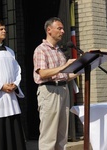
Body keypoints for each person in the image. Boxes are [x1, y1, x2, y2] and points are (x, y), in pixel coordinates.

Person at [33, 17, 79, 150]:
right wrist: (64, 66)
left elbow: (64, 76)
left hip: (63, 90)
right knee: (49, 136)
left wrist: (82, 68)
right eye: (59, 28)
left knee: (61, 136)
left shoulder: (59, 51)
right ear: (49, 30)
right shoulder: (41, 50)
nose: (63, 31)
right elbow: (42, 73)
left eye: (63, 28)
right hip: (49, 92)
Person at [0, 19, 26, 150]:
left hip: (11, 100)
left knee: (14, 138)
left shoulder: (10, 51)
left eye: (4, 29)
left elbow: (17, 72)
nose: (4, 31)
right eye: (1, 29)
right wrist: (1, 86)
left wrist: (15, 84)